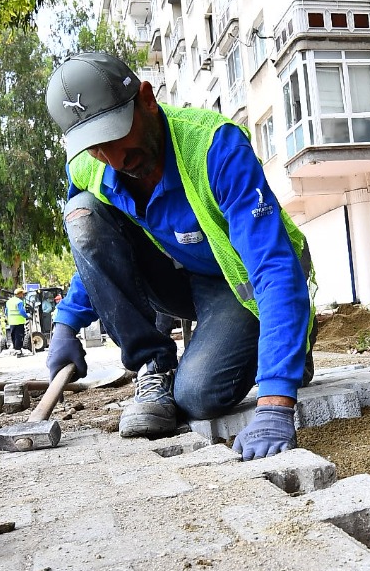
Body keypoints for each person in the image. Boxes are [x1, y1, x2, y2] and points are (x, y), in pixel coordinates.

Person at [42, 51, 314, 459]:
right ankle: (153, 366)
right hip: (180, 277)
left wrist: (276, 400)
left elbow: (272, 266)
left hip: (241, 282)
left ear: (147, 99)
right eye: (98, 148)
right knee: (82, 213)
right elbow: (101, 248)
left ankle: (291, 342)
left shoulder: (215, 148)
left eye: (117, 135)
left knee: (198, 395)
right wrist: (66, 324)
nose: (116, 160)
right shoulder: (89, 169)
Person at [4, 288, 29, 353]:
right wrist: (27, 316)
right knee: (19, 336)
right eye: (23, 294)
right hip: (19, 321)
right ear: (19, 294)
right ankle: (18, 350)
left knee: (13, 336)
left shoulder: (8, 301)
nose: (23, 295)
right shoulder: (19, 302)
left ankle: (15, 349)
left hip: (12, 322)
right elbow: (21, 311)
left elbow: (6, 312)